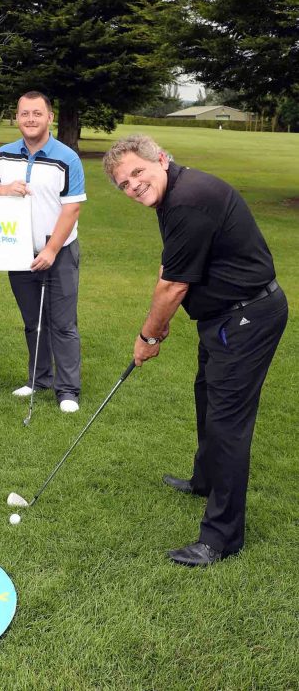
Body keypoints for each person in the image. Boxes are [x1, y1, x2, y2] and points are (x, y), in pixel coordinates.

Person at [104, 134, 288, 567]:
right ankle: (204, 480)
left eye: (137, 173)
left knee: (227, 423)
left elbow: (174, 286)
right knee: (207, 396)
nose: (133, 186)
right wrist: (160, 321)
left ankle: (222, 537)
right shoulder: (174, 193)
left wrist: (148, 337)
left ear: (161, 159)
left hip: (245, 318)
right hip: (223, 317)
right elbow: (173, 264)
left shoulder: (188, 198)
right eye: (124, 183)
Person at [0, 91, 86, 413]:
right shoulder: (4, 153)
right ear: (18, 117)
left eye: (37, 113)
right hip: (19, 253)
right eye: (25, 113)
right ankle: (39, 379)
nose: (30, 119)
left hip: (59, 253)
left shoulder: (67, 157)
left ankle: (67, 390)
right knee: (33, 321)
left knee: (63, 324)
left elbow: (72, 210)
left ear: (49, 117)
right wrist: (4, 190)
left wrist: (52, 250)